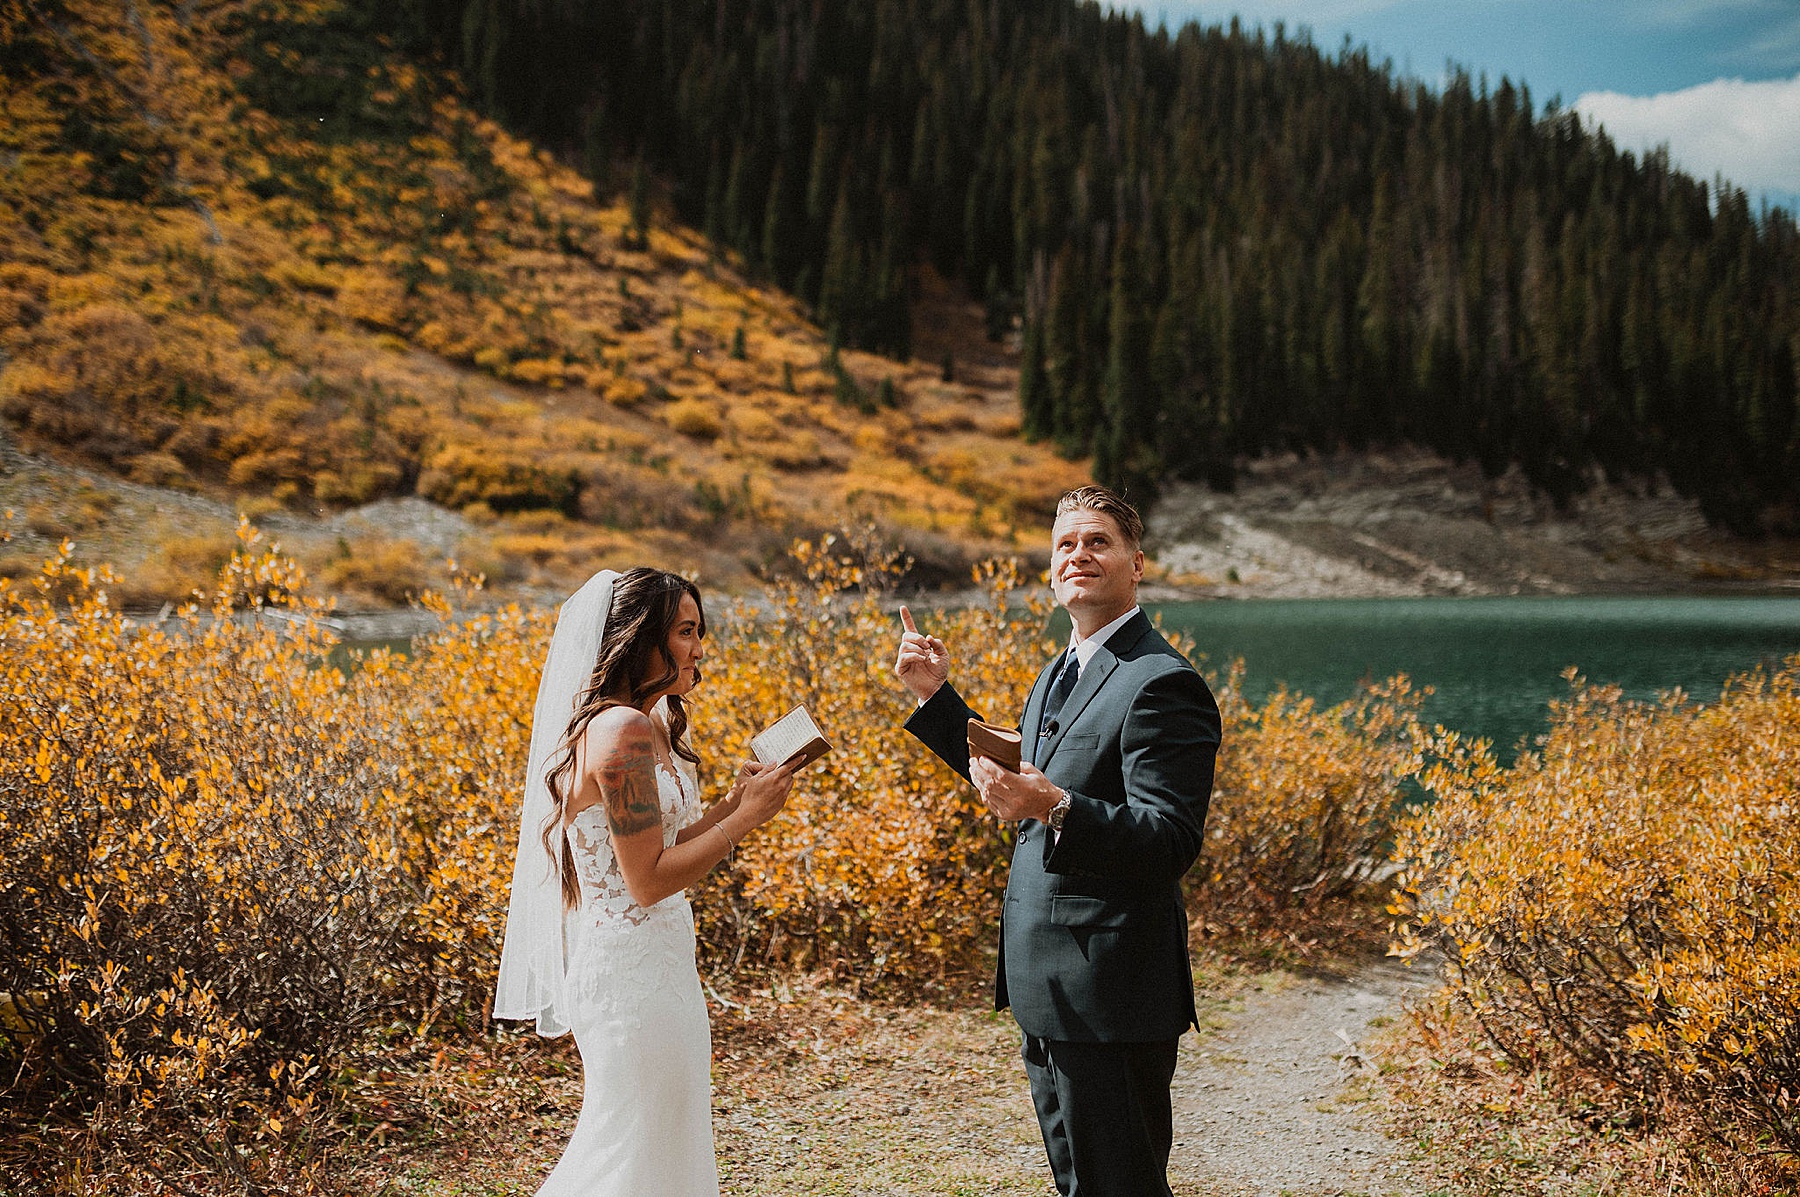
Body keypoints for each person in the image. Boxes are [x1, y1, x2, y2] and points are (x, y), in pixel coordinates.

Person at [894, 485, 1221, 1197]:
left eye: (1097, 540)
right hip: (1046, 983)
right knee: (1082, 1185)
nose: (1079, 554)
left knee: (1122, 1186)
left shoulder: (1162, 682)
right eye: (1065, 543)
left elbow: (1170, 840)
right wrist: (935, 698)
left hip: (1110, 988)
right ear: (1051, 568)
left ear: (1137, 564)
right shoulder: (1057, 672)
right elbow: (1018, 778)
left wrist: (1059, 807)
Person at [494, 567, 798, 1197]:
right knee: (626, 1144)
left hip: (660, 967)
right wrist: (743, 821)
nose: (698, 648)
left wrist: (735, 802)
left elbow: (660, 847)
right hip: (629, 978)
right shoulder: (622, 732)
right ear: (642, 638)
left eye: (698, 631)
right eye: (685, 631)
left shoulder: (649, 724)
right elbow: (647, 882)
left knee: (666, 1138)